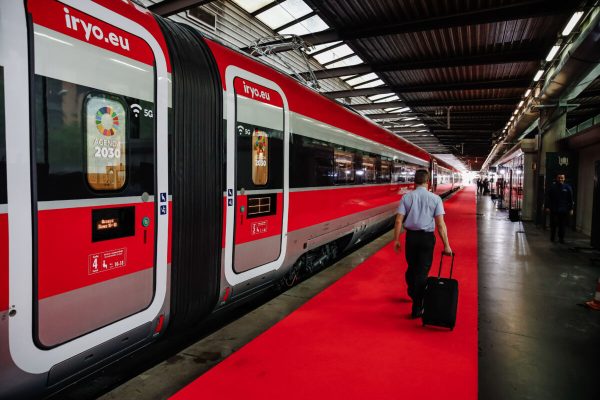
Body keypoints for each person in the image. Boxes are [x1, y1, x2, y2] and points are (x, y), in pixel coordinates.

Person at [393, 169, 452, 318]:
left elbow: (399, 220)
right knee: (422, 273)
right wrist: (446, 245)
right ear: (428, 182)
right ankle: (417, 307)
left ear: (414, 181)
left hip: (411, 238)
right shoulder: (435, 199)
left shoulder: (407, 197)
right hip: (426, 239)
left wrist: (397, 240)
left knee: (412, 268)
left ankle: (413, 293)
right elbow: (440, 224)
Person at [544, 174, 574, 243]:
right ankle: (552, 237)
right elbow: (548, 198)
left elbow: (570, 199)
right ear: (557, 178)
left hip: (563, 209)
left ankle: (561, 238)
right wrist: (547, 207)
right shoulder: (553, 187)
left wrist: (571, 209)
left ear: (564, 179)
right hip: (554, 209)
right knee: (553, 224)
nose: (560, 179)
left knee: (562, 225)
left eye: (562, 178)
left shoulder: (567, 187)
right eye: (559, 178)